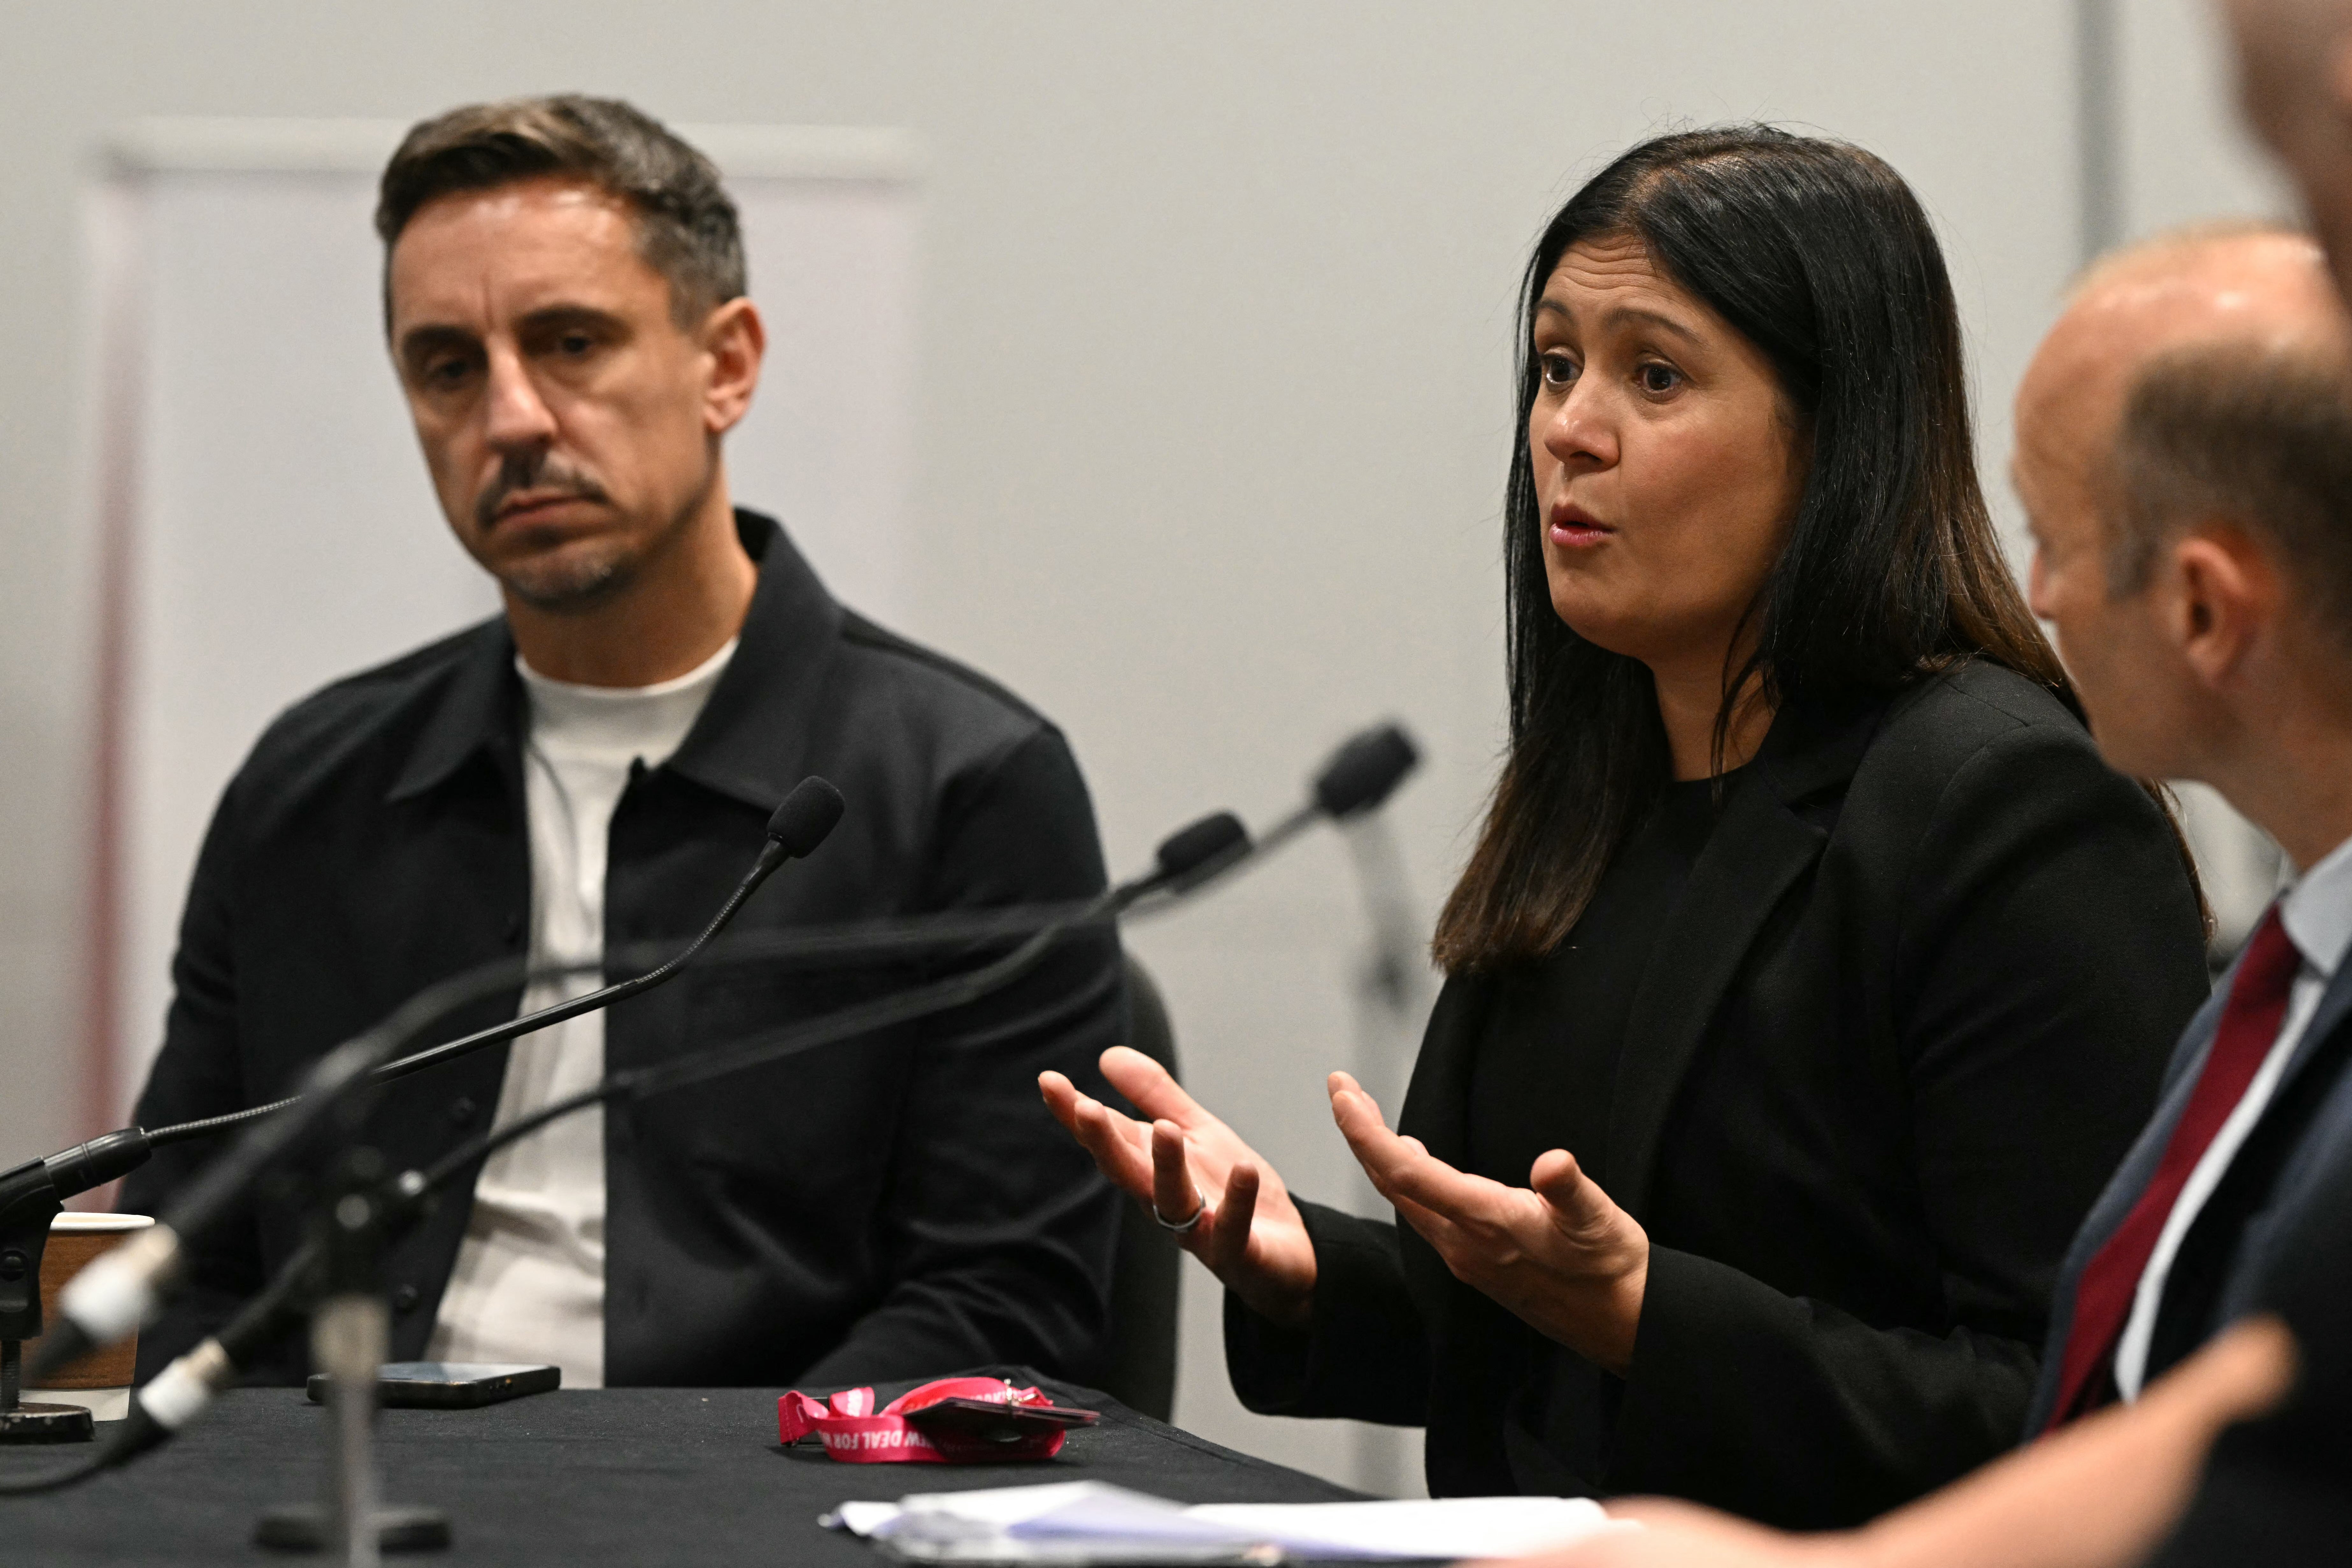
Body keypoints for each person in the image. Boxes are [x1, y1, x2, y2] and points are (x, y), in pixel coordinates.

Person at [1044, 125, 2211, 1526]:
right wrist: (1312, 1267)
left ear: (1838, 432)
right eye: (1552, 365)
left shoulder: (2005, 806)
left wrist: (1649, 1315)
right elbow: (1524, 1332)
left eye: (1651, 375)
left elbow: (2077, 1416)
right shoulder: (1591, 777)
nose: (1568, 429)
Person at [119, 95, 1125, 1392]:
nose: (514, 418)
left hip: (763, 1511)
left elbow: (1003, 1303)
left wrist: (681, 1500)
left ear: (727, 365)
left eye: (571, 343)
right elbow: (185, 1253)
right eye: (447, 368)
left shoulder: (965, 787)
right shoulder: (311, 790)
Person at [1498, 224, 2352, 1568]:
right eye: (1552, 368)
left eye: (2057, 540)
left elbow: (2162, 1432)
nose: (2042, 596)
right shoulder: (2292, 975)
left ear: (2201, 607)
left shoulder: (2000, 792)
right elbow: (2198, 1421)